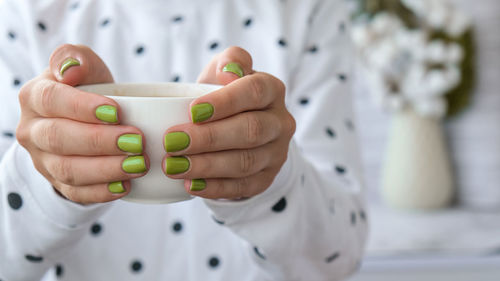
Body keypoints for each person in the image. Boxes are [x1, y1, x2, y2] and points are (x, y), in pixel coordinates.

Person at [0, 0, 368, 280]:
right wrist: (46, 180)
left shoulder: (307, 9)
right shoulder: (26, 10)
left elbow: (339, 254)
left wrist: (270, 182)